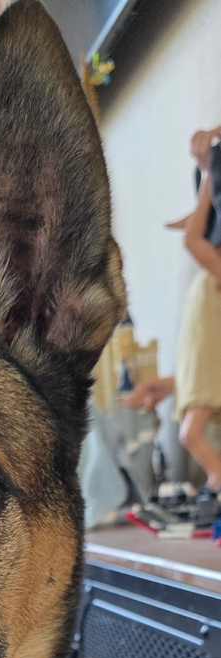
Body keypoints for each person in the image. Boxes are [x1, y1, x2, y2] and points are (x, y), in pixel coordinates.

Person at [121, 127, 221, 500]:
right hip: (206, 375)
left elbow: (192, 239)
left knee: (189, 435)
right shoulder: (211, 276)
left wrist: (210, 171)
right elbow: (209, 354)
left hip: (207, 378)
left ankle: (217, 479)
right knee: (188, 434)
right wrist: (171, 384)